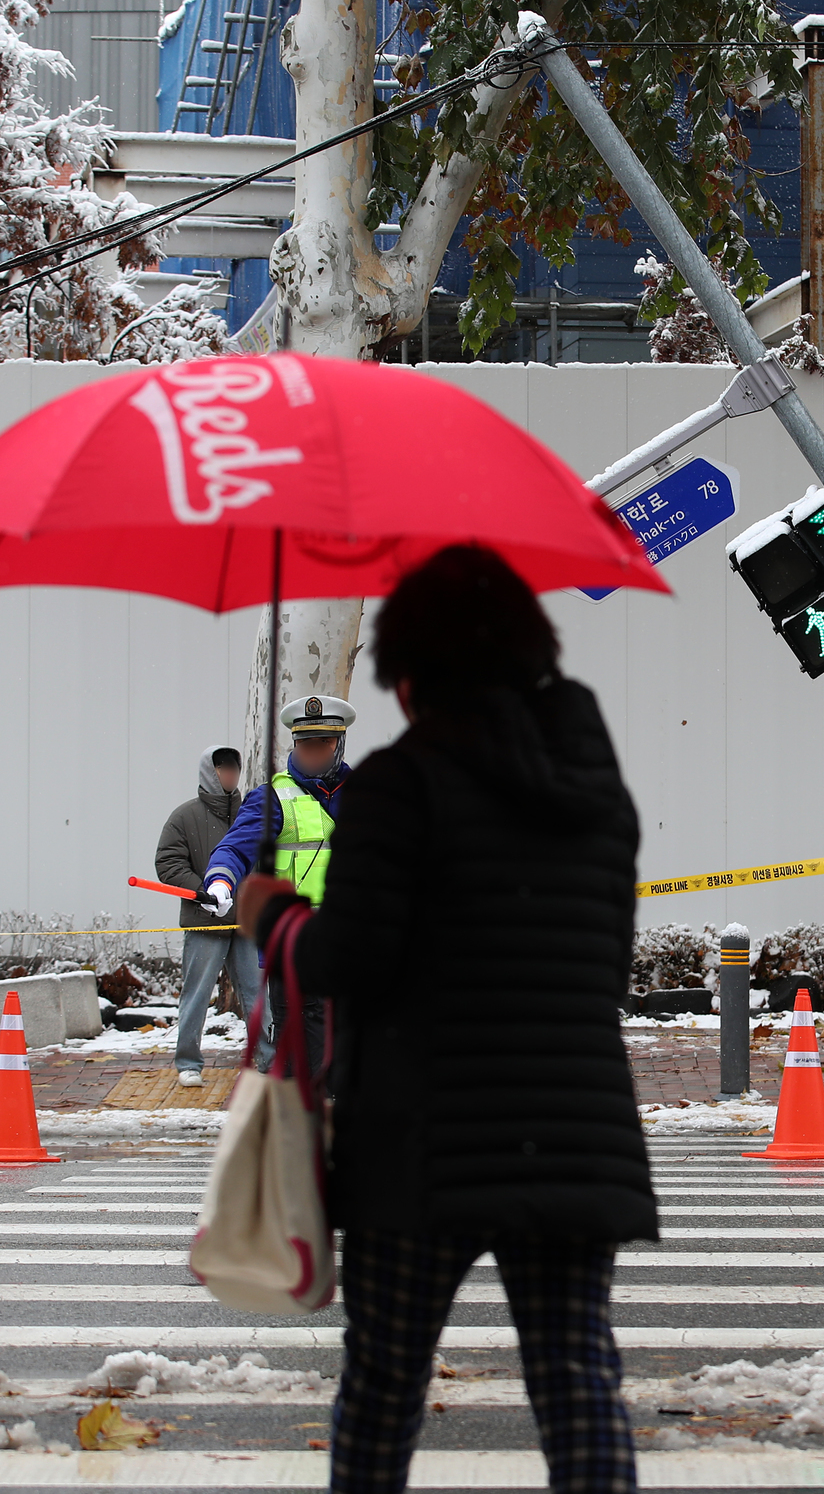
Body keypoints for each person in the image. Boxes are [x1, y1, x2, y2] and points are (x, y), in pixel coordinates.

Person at [238, 545, 656, 1494]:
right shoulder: (595, 787)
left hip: (420, 1139)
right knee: (576, 1375)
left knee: (385, 1381)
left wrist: (276, 918)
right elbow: (602, 956)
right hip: (572, 1126)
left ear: (413, 669)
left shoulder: (400, 783)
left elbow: (348, 960)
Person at [204, 695, 355, 1068]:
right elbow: (235, 848)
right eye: (305, 744)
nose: (313, 752)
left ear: (339, 745)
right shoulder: (273, 797)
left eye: (323, 743)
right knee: (303, 1052)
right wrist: (221, 880)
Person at [155, 746, 260, 1089]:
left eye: (233, 769)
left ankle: (269, 1059)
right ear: (208, 773)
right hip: (204, 922)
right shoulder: (184, 817)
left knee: (259, 995)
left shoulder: (251, 814)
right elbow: (168, 864)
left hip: (246, 923)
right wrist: (204, 893)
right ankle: (188, 1063)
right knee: (196, 995)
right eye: (221, 770)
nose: (229, 776)